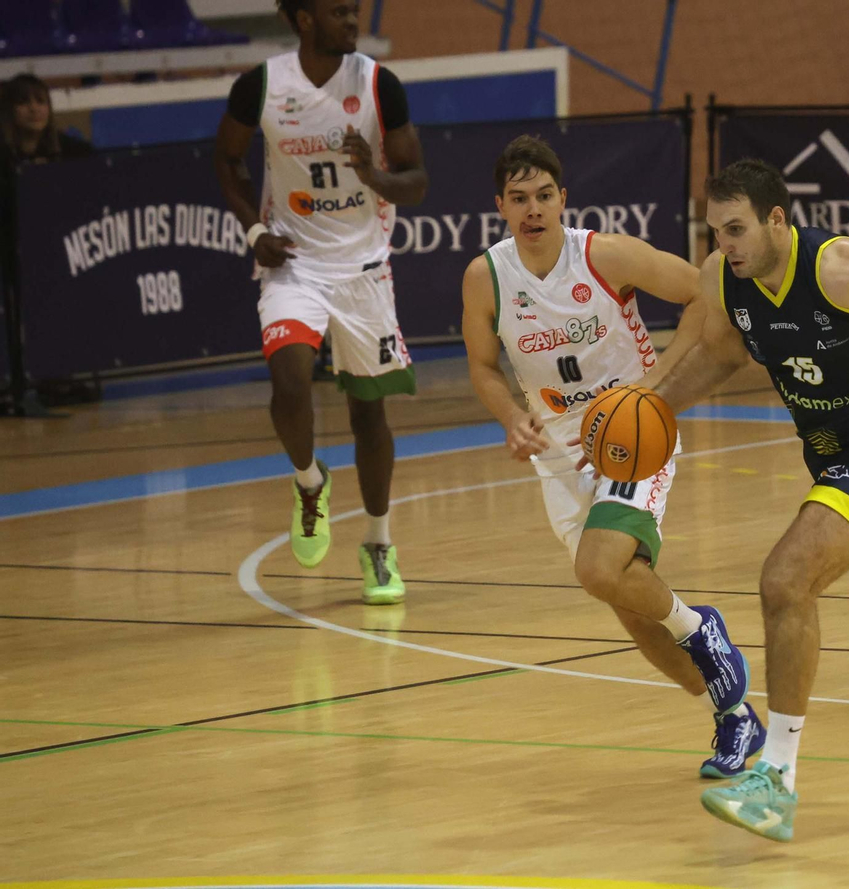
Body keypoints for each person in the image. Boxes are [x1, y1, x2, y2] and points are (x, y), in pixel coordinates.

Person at [637, 158, 849, 841]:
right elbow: (724, 353)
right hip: (835, 460)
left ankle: (778, 780)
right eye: (716, 231)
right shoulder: (724, 281)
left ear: (778, 220)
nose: (725, 245)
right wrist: (651, 407)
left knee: (786, 579)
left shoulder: (841, 268)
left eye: (737, 229)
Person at [460, 135, 762, 778]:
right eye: (520, 199)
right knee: (634, 613)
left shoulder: (603, 254)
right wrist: (513, 415)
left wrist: (652, 387)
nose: (533, 209)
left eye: (544, 196)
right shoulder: (486, 277)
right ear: (501, 207)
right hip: (559, 449)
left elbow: (704, 292)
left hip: (632, 434)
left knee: (599, 570)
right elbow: (483, 367)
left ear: (563, 199)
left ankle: (704, 629)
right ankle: (733, 713)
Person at [214, 0, 428, 604]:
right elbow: (226, 160)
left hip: (363, 271)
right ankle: (310, 483)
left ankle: (379, 545)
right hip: (294, 264)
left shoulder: (379, 85)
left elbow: (417, 182)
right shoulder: (261, 85)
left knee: (368, 416)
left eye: (353, 10)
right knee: (289, 382)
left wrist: (376, 176)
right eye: (338, 11)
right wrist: (255, 233)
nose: (352, 21)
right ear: (304, 19)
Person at [0, 74, 94, 165]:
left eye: (40, 101)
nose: (34, 109)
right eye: (23, 102)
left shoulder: (74, 151)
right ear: (9, 109)